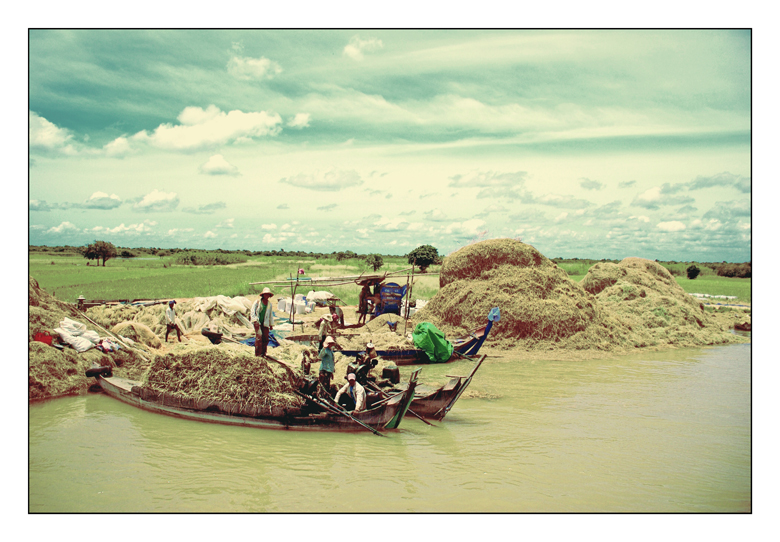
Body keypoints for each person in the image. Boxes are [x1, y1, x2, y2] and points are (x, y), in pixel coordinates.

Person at [251, 287, 275, 357]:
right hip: (257, 322)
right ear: (263, 295)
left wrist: (271, 324)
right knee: (259, 336)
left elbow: (270, 315)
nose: (267, 296)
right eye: (265, 294)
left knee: (265, 338)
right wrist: (254, 320)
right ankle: (257, 354)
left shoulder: (269, 304)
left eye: (268, 295)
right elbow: (252, 311)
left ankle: (263, 353)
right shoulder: (257, 302)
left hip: (265, 323)